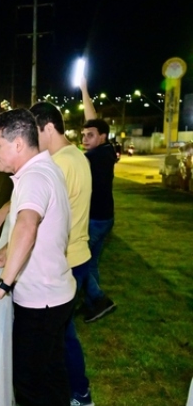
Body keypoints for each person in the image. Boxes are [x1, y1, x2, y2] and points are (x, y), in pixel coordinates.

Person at [0, 109, 83, 406]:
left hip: (42, 304)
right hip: (59, 293)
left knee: (26, 382)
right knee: (51, 371)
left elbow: (27, 226)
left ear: (18, 144)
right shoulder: (44, 169)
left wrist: (2, 287)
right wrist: (3, 254)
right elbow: (44, 232)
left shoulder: (34, 178)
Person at [80, 75, 118, 322]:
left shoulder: (96, 157)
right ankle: (93, 303)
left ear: (102, 136)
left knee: (79, 264)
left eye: (90, 135)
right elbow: (92, 120)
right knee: (92, 264)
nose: (85, 138)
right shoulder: (106, 150)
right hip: (105, 217)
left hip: (96, 219)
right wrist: (84, 89)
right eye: (83, 134)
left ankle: (102, 300)